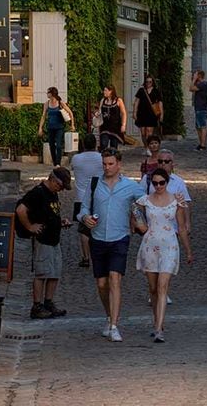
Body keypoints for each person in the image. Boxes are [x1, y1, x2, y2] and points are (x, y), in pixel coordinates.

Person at [77, 147, 143, 342]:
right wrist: (85, 217)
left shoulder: (130, 186)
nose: (107, 167)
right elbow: (83, 208)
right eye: (104, 164)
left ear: (119, 164)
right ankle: (108, 316)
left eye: (110, 164)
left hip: (120, 238)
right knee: (101, 283)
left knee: (115, 278)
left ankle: (114, 325)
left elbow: (146, 201)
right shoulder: (95, 183)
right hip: (97, 238)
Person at [135, 167, 193, 342]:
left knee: (162, 286)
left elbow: (182, 228)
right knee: (153, 288)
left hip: (169, 246)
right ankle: (156, 321)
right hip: (150, 245)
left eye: (161, 182)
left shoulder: (177, 201)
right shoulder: (145, 200)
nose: (158, 186)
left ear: (167, 182)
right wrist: (138, 223)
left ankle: (159, 328)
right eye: (155, 183)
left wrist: (188, 250)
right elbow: (135, 214)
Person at [15, 166, 73, 318]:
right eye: (60, 186)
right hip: (43, 240)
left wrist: (60, 222)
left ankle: (49, 302)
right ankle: (37, 306)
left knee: (54, 273)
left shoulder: (53, 193)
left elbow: (50, 214)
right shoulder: (38, 193)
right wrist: (30, 226)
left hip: (54, 239)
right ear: (53, 180)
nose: (61, 190)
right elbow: (20, 210)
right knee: (41, 273)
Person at [140, 148, 192, 233]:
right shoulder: (147, 179)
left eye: (166, 161)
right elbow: (138, 200)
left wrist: (187, 223)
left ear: (172, 164)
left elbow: (185, 202)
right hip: (151, 229)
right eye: (160, 161)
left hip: (173, 228)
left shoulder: (178, 182)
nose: (163, 164)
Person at [71, 133, 103, 267]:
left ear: (83, 144)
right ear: (95, 144)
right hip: (98, 196)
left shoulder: (76, 158)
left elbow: (72, 169)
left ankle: (85, 257)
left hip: (81, 196)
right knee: (99, 226)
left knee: (84, 229)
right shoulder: (101, 158)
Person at [38, 87, 74, 166]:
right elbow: (43, 116)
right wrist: (40, 128)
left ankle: (58, 163)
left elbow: (70, 113)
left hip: (59, 127)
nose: (47, 94)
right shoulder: (47, 103)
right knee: (51, 146)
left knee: (58, 145)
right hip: (50, 127)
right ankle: (55, 163)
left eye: (48, 92)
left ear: (52, 93)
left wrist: (72, 125)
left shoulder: (60, 103)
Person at [133, 74, 163, 145]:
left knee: (149, 131)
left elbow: (160, 103)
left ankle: (149, 147)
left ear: (153, 82)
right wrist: (134, 112)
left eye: (150, 82)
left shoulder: (156, 91)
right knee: (143, 133)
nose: (148, 83)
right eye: (147, 82)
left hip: (151, 114)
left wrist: (161, 114)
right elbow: (136, 101)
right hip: (142, 113)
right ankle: (146, 147)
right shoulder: (141, 90)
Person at [98, 84, 127, 151]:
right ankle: (103, 158)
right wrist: (97, 114)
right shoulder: (103, 101)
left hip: (115, 127)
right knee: (103, 144)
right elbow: (100, 111)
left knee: (113, 146)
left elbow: (123, 113)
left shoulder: (118, 100)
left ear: (110, 91)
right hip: (105, 126)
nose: (104, 92)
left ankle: (113, 159)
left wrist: (123, 125)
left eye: (105, 90)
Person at [189, 69, 207, 150]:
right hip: (200, 107)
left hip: (201, 108)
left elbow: (191, 88)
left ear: (199, 76)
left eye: (195, 74)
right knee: (198, 126)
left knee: (202, 126)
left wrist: (194, 80)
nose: (193, 76)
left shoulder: (202, 84)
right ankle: (201, 143)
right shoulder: (204, 84)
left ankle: (203, 145)